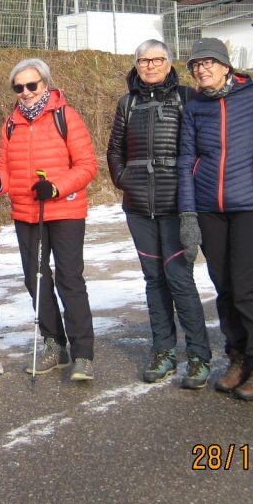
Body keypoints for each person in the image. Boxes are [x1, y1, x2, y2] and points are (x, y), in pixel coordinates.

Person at [177, 38, 253, 400]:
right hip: (209, 208)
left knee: (245, 285)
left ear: (225, 66)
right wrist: (188, 213)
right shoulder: (194, 107)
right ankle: (238, 358)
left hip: (249, 204)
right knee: (223, 286)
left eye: (208, 62)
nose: (201, 69)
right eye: (195, 65)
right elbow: (186, 160)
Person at [107, 40, 212, 389]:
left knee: (180, 280)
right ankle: (163, 351)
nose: (150, 66)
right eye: (143, 60)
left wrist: (191, 192)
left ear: (169, 63)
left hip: (176, 204)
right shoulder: (128, 102)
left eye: (157, 59)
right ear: (136, 65)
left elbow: (200, 145)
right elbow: (114, 150)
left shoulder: (187, 97)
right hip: (139, 208)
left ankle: (198, 355)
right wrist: (124, 180)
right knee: (153, 281)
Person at [0, 58, 98, 380]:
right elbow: (5, 168)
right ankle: (55, 345)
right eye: (18, 87)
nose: (25, 92)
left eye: (31, 85)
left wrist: (55, 187)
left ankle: (83, 354)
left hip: (64, 210)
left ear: (45, 84)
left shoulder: (66, 116)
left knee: (69, 279)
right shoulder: (11, 124)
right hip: (27, 213)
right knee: (35, 279)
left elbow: (87, 165)